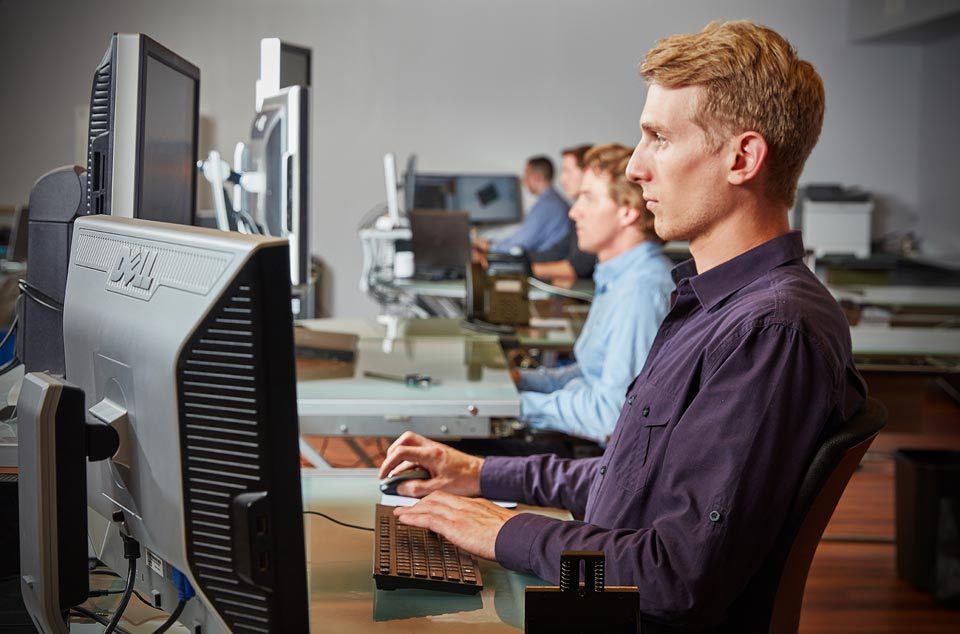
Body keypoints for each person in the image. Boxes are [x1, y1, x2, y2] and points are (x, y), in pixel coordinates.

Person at [378, 20, 867, 631]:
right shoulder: (712, 305)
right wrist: (481, 474)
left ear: (743, 157)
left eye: (659, 138)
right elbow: (629, 478)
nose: (635, 167)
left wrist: (503, 528)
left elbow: (675, 573)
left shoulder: (769, 330)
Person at [517, 143, 673, 444]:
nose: (574, 212)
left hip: (599, 461)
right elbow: (592, 375)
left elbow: (610, 415)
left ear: (628, 211)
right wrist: (523, 382)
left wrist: (516, 407)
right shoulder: (617, 276)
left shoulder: (641, 290)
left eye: (587, 198)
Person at [530, 144, 599, 282]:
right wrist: (521, 260)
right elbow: (559, 250)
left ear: (587, 172)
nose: (562, 179)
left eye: (567, 171)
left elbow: (580, 266)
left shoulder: (595, 213)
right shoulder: (577, 212)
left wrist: (527, 269)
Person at [476, 156, 570, 255]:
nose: (523, 180)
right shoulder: (551, 201)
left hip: (543, 264)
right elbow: (520, 238)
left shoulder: (547, 206)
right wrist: (493, 244)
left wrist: (490, 246)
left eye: (526, 174)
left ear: (537, 177)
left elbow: (520, 244)